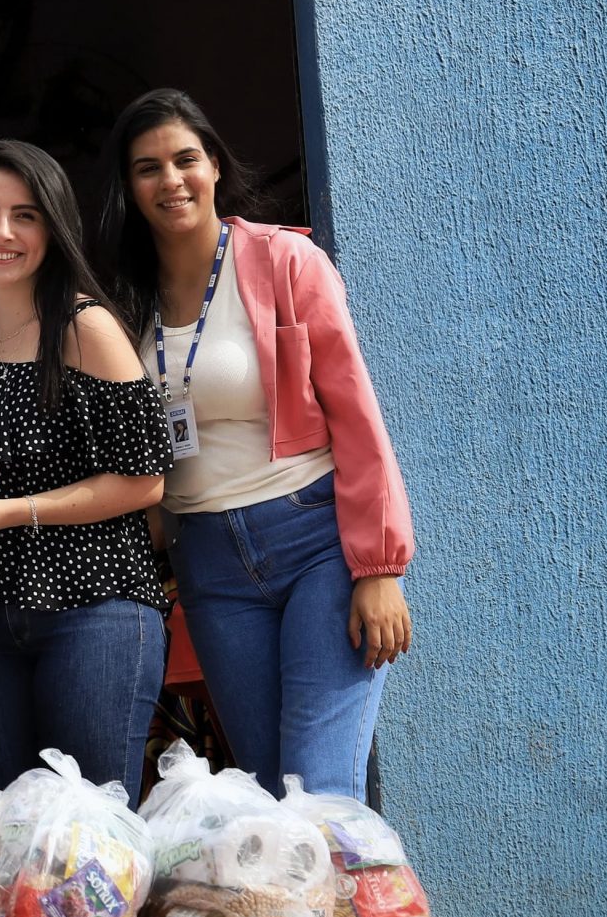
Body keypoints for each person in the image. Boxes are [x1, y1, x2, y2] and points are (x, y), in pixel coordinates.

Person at [96, 90, 414, 799]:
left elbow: (357, 415)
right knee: (269, 798)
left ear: (213, 164)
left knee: (321, 788)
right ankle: (341, 915)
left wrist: (380, 565)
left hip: (316, 543)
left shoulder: (284, 262)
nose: (170, 180)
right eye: (148, 168)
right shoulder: (120, 299)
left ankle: (368, 915)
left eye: (185, 159)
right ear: (127, 186)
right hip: (208, 563)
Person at [0, 141, 173, 798]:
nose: (3, 233)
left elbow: (146, 480)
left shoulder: (86, 328)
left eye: (25, 215)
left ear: (54, 227)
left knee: (92, 832)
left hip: (96, 611)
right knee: (6, 832)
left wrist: (11, 511)